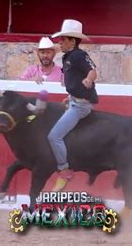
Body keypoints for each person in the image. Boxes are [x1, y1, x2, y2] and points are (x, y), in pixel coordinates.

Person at [47, 19, 98, 192]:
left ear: (72, 41)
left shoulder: (79, 55)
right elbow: (75, 80)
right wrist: (70, 96)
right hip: (75, 102)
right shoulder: (68, 56)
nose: (59, 42)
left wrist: (89, 79)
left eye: (62, 40)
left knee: (54, 137)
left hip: (81, 107)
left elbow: (92, 70)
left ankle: (64, 169)